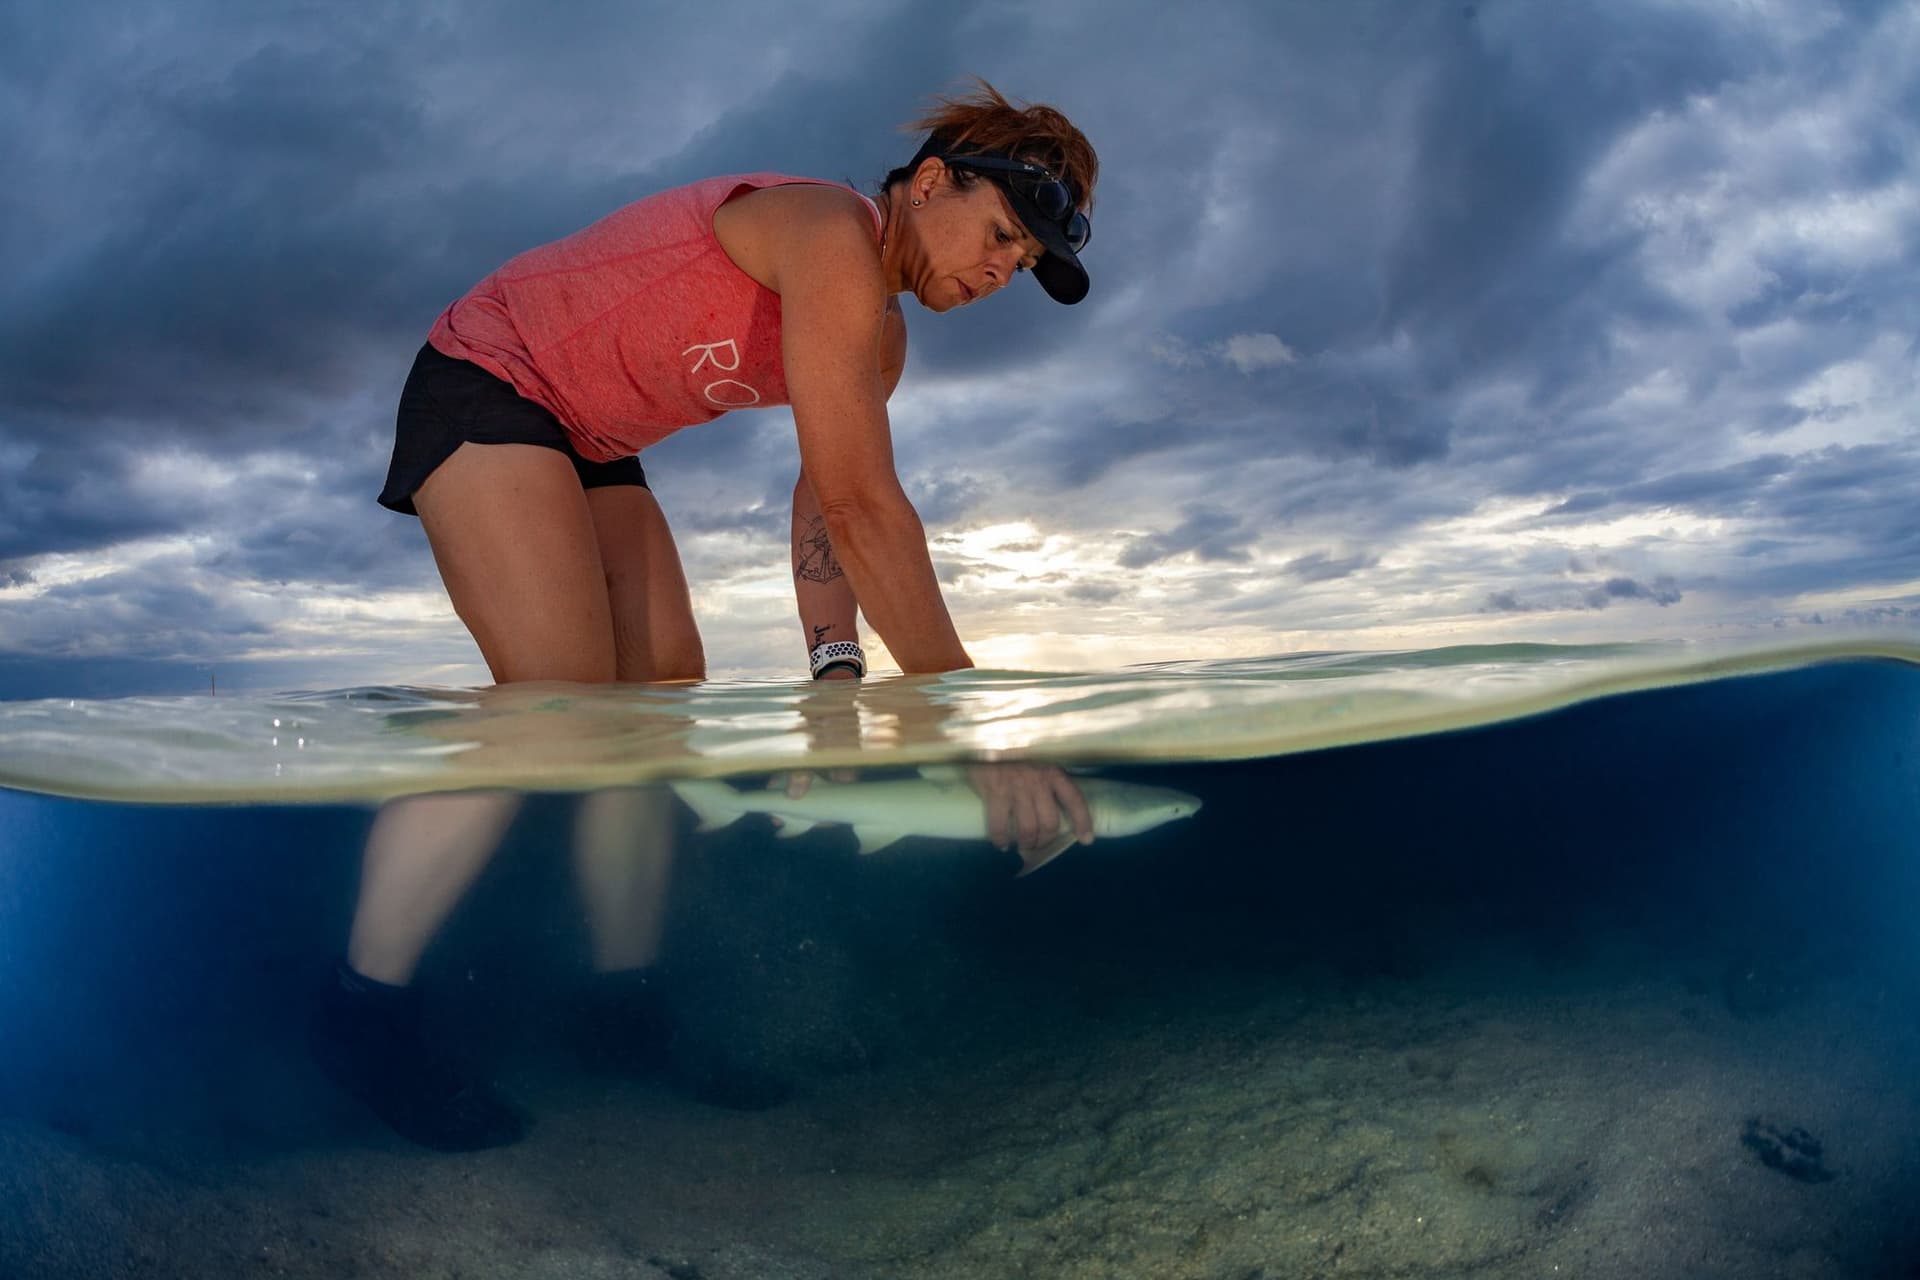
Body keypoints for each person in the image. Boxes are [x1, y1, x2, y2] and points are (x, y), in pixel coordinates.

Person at [311, 79, 1102, 1151]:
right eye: (1003, 232)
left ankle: (617, 1011)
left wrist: (838, 679)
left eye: (1025, 261)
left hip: (585, 431)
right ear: (929, 183)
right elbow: (870, 510)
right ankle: (361, 1015)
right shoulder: (831, 230)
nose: (1005, 268)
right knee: (556, 701)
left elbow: (828, 498)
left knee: (661, 707)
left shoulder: (881, 343)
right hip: (492, 372)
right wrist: (965, 727)